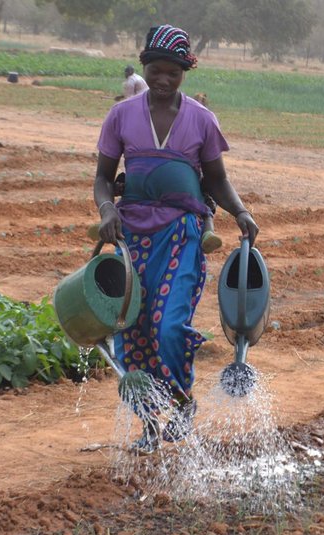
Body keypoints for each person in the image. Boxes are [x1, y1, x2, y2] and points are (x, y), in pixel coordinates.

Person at [94, 24, 259, 454]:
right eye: (156, 70)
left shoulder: (201, 120)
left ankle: (183, 403)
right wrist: (107, 210)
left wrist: (240, 212)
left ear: (186, 72)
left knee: (168, 326)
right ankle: (149, 424)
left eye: (174, 72)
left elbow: (217, 180)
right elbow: (103, 178)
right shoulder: (121, 116)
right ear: (144, 66)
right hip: (131, 238)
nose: (164, 80)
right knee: (132, 332)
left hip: (181, 236)